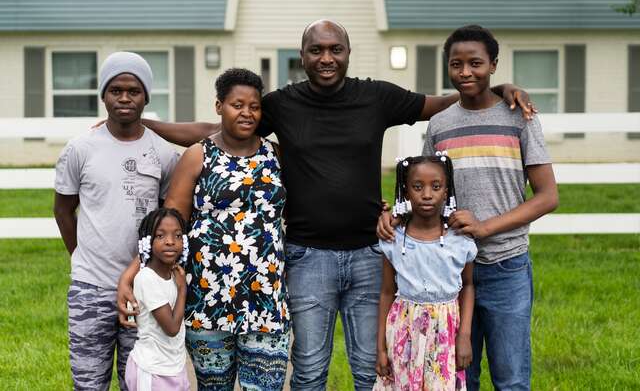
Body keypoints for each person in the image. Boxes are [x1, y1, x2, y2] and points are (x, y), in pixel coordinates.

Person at [118, 20, 533, 390]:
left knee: (372, 369)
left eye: (336, 49)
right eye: (316, 50)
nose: (327, 58)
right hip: (307, 256)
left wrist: (496, 89)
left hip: (370, 254)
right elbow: (216, 128)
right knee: (310, 371)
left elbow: (437, 103)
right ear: (302, 57)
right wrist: (142, 124)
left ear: (349, 53)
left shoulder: (377, 97)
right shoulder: (282, 104)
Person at [378, 25, 558, 391]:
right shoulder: (441, 125)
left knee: (511, 377)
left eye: (475, 63)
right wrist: (394, 214)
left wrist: (486, 228)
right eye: (456, 64)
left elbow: (547, 196)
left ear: (493, 65)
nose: (465, 72)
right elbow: (424, 187)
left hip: (507, 265)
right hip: (449, 273)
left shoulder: (518, 117)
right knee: (460, 377)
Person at [121, 68, 289, 390]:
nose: (247, 113)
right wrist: (132, 273)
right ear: (219, 107)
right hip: (209, 301)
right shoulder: (199, 155)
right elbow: (167, 225)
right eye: (237, 105)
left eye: (254, 106)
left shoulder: (275, 155)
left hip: (268, 302)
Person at [54, 51, 179, 390]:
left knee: (139, 382)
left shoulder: (164, 153)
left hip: (144, 289)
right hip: (89, 288)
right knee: (88, 383)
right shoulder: (80, 149)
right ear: (104, 96)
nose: (124, 98)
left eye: (133, 91)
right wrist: (81, 257)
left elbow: (169, 216)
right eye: (116, 90)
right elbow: (63, 210)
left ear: (146, 97)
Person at [374, 154, 476, 391]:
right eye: (418, 187)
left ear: (446, 190)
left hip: (446, 332)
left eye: (436, 186)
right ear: (406, 191)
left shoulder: (460, 239)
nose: (427, 194)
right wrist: (380, 347)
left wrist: (464, 335)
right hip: (404, 330)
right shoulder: (394, 239)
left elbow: (468, 285)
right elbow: (387, 292)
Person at [125, 208, 190, 391]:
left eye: (177, 236)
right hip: (152, 371)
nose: (170, 241)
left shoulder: (172, 276)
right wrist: (182, 289)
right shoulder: (147, 278)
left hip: (173, 368)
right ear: (147, 241)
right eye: (160, 236)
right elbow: (171, 328)